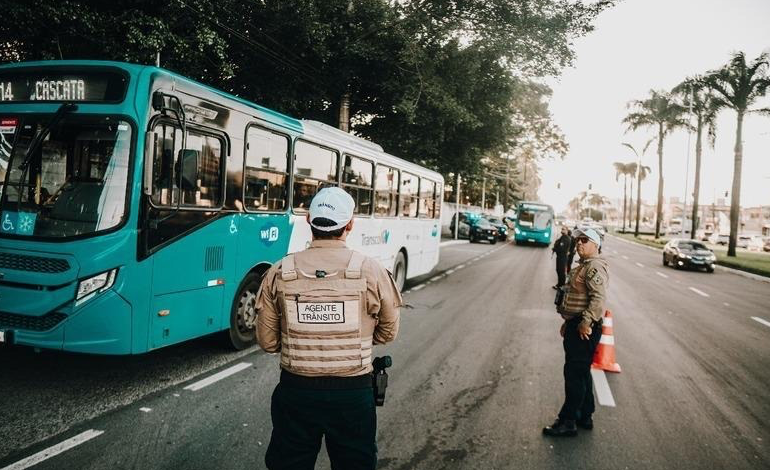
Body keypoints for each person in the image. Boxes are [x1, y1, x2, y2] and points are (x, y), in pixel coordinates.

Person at [256, 187, 402, 469]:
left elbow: (268, 342)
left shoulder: (279, 271)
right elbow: (388, 332)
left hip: (296, 393)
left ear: (309, 220)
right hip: (353, 395)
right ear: (350, 224)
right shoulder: (371, 270)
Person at [544, 227, 609, 437]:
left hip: (584, 329)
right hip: (577, 324)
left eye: (584, 240)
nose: (579, 243)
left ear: (595, 244)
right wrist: (570, 321)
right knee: (581, 373)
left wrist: (585, 321)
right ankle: (584, 415)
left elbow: (598, 299)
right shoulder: (584, 266)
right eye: (578, 240)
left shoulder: (594, 267)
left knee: (573, 374)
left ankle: (568, 421)